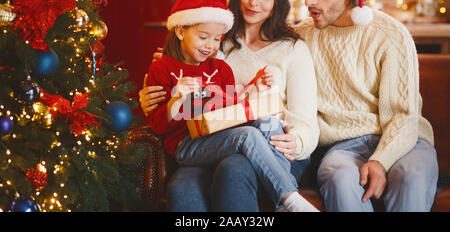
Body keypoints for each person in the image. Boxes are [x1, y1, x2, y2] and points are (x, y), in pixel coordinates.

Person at [140, 0, 319, 212]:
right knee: (183, 185)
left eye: (216, 39)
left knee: (238, 159)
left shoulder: (222, 65)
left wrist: (296, 140)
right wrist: (165, 99)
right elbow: (162, 112)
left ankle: (288, 198)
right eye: (205, 38)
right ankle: (289, 199)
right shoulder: (212, 46)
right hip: (195, 143)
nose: (254, 2)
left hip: (254, 142)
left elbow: (232, 105)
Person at [292, 0, 438, 211]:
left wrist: (380, 161)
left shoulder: (390, 34)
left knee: (410, 177)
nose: (309, 2)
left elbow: (404, 115)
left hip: (407, 141)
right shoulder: (300, 36)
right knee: (338, 177)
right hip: (342, 147)